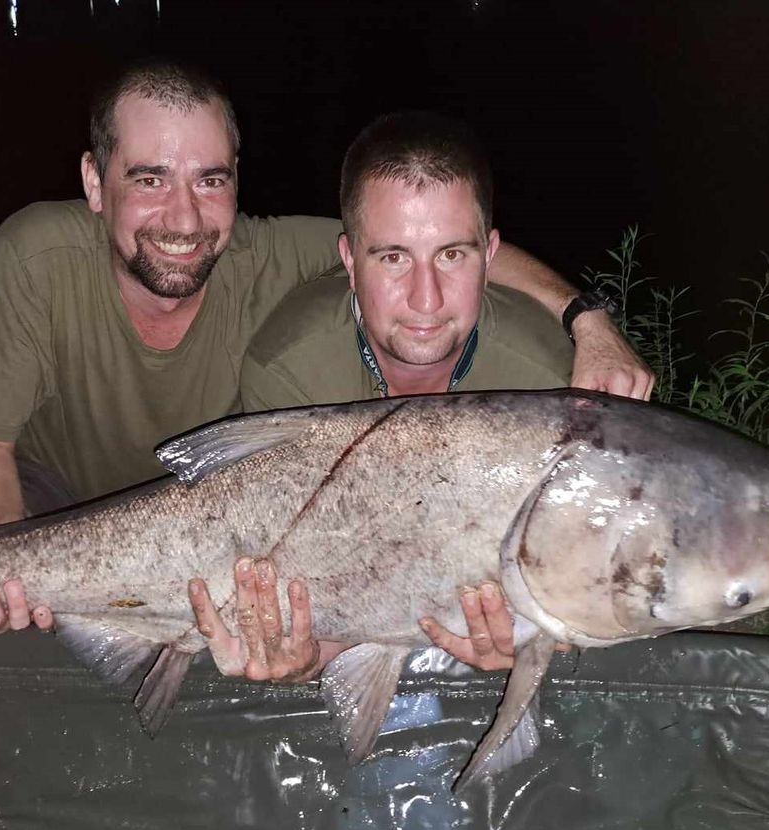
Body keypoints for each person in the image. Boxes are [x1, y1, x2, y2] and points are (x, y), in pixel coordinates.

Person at [0, 60, 652, 633]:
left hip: (208, 525)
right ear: (95, 182)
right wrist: (1, 559)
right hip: (53, 509)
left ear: (236, 183)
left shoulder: (274, 253)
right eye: (150, 179)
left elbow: (434, 240)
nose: (184, 217)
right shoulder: (34, 256)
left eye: (211, 180)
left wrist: (588, 319)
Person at [187, 111, 591, 681]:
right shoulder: (289, 370)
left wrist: (536, 641)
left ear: (491, 255)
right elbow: (302, 572)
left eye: (452, 255)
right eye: (393, 257)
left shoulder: (548, 384)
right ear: (350, 261)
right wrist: (306, 659)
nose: (425, 300)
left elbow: (577, 582)